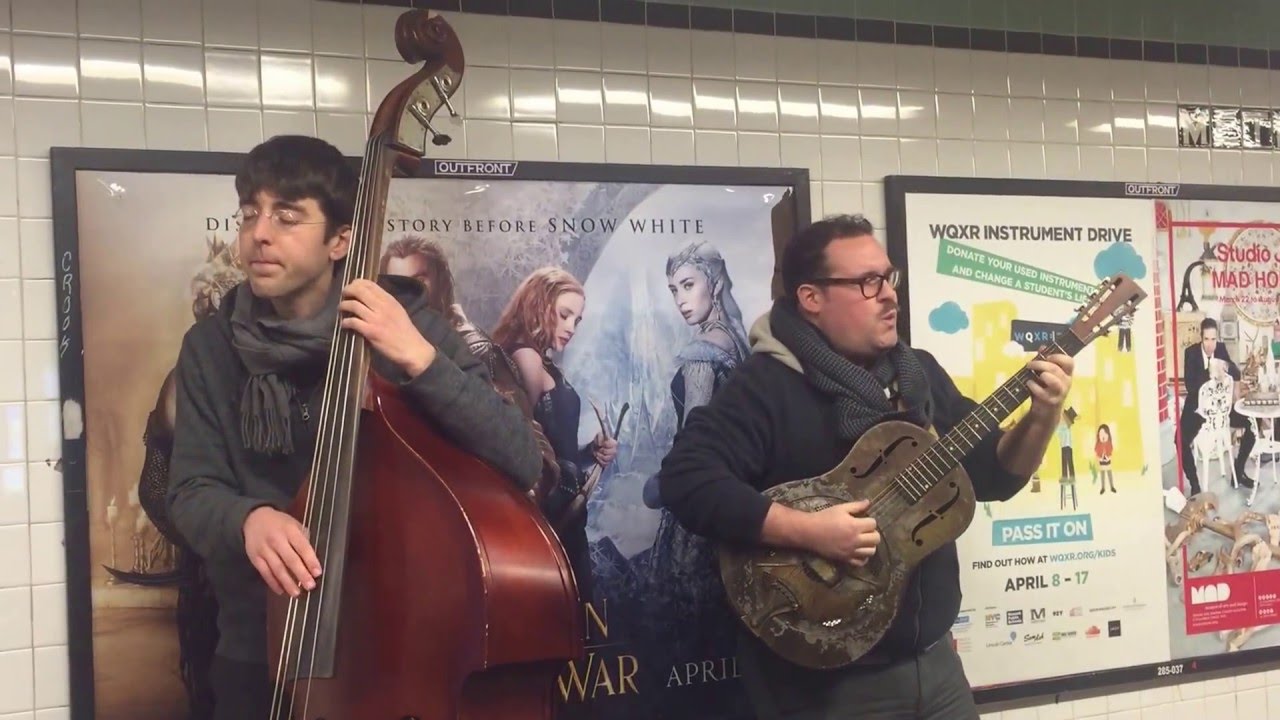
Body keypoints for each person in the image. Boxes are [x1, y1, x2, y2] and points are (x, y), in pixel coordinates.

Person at [165, 135, 543, 720]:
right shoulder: (210, 347)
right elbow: (189, 490)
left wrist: (419, 358)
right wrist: (248, 518)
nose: (259, 233)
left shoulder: (408, 324)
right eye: (250, 214)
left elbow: (522, 457)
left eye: (287, 217)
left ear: (341, 239)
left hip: (405, 643)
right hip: (262, 648)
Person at [656, 214, 1074, 719]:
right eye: (867, 282)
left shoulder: (915, 376)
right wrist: (808, 531)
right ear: (812, 298)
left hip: (934, 667)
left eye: (888, 277)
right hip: (826, 683)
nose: (889, 295)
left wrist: (1044, 415)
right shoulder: (765, 386)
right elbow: (686, 479)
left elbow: (994, 476)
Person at [492, 267, 619, 603]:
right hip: (550, 517)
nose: (571, 328)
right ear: (538, 305)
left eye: (577, 320)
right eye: (564, 315)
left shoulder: (542, 362)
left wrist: (589, 452)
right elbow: (522, 446)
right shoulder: (528, 359)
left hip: (563, 513)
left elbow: (549, 445)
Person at [1179, 317, 1254, 496]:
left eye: (1214, 339)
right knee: (1179, 440)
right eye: (1207, 339)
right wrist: (1211, 372)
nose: (1211, 344)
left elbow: (1235, 371)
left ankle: (1238, 469)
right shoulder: (1191, 353)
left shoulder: (1220, 349)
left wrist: (1224, 366)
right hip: (1198, 409)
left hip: (1222, 410)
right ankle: (1195, 484)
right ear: (1201, 338)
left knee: (1252, 424)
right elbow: (1190, 387)